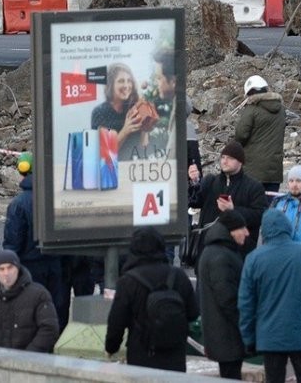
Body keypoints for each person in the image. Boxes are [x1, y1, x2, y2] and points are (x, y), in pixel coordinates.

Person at [239, 209, 301, 383]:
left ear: (264, 231)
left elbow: (246, 304)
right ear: (288, 228)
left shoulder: (254, 259)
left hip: (270, 338)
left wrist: (249, 338)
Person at [105, 227, 199, 372]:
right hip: (174, 353)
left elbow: (117, 320)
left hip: (142, 354)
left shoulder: (128, 281)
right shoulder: (178, 276)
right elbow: (193, 312)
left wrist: (111, 347)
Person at [3, 172, 68, 330]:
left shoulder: (18, 203)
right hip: (54, 262)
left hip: (29, 265)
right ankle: (52, 341)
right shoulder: (56, 200)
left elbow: (13, 240)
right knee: (54, 306)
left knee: (30, 307)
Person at [188, 140, 268, 255]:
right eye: (223, 157)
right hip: (208, 250)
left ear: (240, 162)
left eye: (230, 158)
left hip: (237, 252)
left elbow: (260, 215)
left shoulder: (253, 186)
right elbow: (194, 202)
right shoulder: (211, 181)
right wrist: (194, 183)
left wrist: (233, 210)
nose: (225, 161)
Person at [197, 210, 251, 380]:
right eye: (243, 228)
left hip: (224, 334)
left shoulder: (220, 250)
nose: (247, 232)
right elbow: (227, 299)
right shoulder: (220, 256)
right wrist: (245, 325)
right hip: (227, 335)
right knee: (230, 375)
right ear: (232, 230)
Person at [0, 249, 59, 353]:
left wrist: (27, 356)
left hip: (31, 362)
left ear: (17, 268)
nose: (6, 273)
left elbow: (49, 329)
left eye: (10, 267)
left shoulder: (39, 294)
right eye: (1, 269)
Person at [234, 75, 286, 193]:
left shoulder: (251, 109)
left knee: (252, 208)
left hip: (253, 172)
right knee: (270, 207)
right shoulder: (281, 109)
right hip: (274, 171)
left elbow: (240, 135)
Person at [90, 62, 146, 160]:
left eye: (129, 81)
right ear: (110, 84)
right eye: (121, 81)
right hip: (112, 170)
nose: (126, 85)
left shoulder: (135, 107)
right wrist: (125, 130)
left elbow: (144, 146)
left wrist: (145, 127)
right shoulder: (99, 112)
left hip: (135, 167)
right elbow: (104, 154)